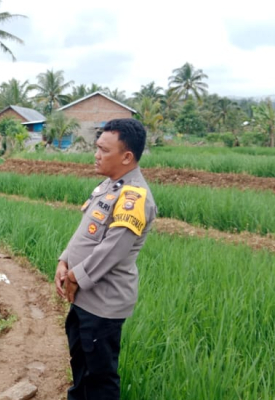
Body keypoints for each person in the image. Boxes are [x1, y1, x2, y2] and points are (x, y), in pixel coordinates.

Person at [54, 118, 158, 400]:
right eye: (97, 147)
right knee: (81, 368)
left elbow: (114, 249)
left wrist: (74, 276)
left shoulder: (134, 197)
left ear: (127, 157)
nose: (96, 155)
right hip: (84, 298)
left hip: (102, 304)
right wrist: (64, 261)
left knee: (99, 378)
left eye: (104, 150)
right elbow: (86, 232)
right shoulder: (109, 186)